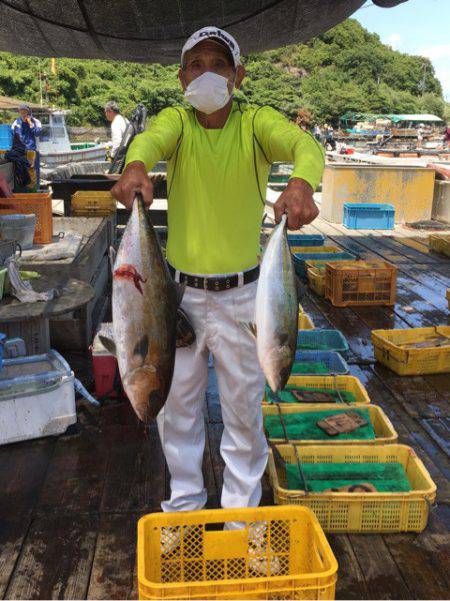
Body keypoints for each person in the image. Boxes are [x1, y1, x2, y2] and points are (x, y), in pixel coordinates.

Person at [112, 26, 324, 558]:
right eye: (195, 64)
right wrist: (135, 165)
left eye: (219, 64)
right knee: (176, 409)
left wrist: (302, 180)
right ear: (181, 76)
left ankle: (240, 522)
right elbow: (148, 142)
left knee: (242, 411)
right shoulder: (176, 124)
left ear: (238, 74)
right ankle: (183, 511)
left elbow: (304, 144)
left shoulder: (255, 124)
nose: (207, 72)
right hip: (174, 296)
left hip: (243, 297)